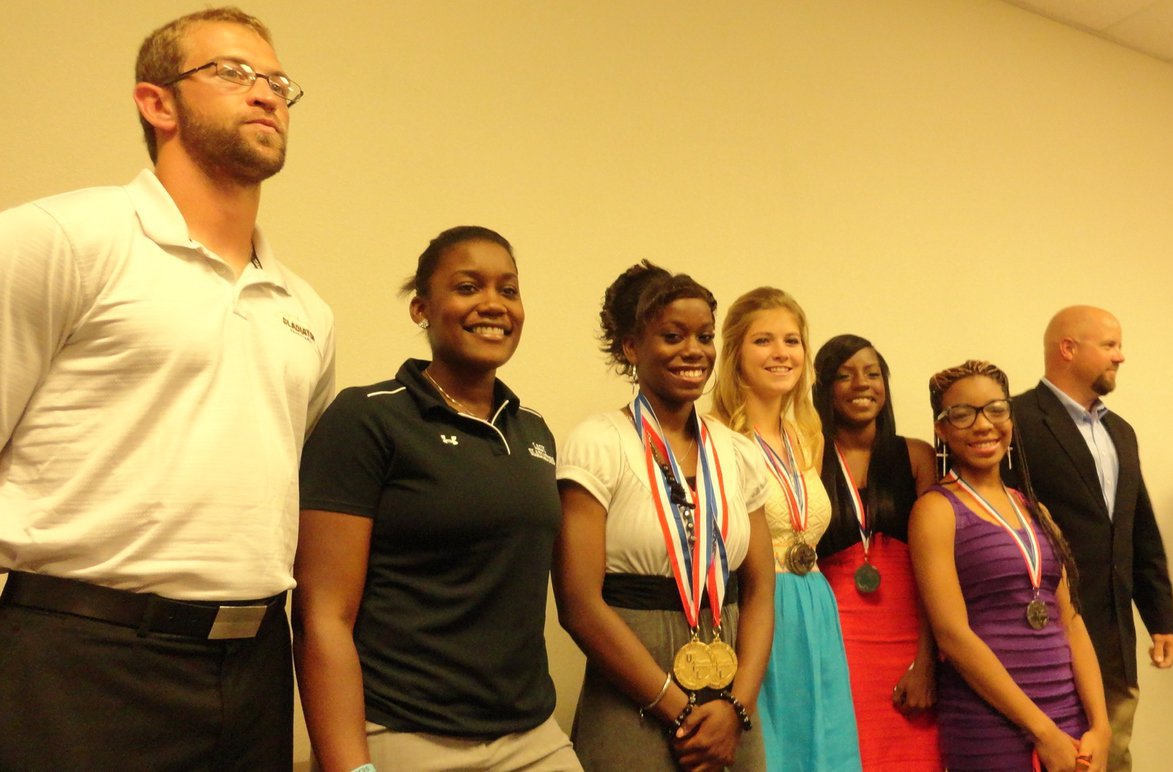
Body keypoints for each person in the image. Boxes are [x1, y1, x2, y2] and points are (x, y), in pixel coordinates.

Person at [0, 7, 333, 770]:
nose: (266, 93)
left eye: (277, 80)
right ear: (157, 103)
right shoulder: (61, 240)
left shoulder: (308, 311)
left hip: (254, 665)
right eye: (232, 72)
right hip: (77, 663)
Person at [293, 226, 579, 772]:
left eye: (508, 290)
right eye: (468, 287)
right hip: (404, 732)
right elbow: (321, 616)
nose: (493, 304)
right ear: (421, 309)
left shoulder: (534, 431)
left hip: (530, 735)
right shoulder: (368, 418)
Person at [553, 261, 775, 771]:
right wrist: (680, 711)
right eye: (673, 336)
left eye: (704, 336)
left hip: (729, 704)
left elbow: (761, 591)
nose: (693, 350)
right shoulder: (598, 444)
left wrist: (737, 708)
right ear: (632, 347)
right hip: (633, 695)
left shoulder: (739, 453)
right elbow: (578, 603)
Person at [911, 360, 1110, 771]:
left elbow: (1071, 622)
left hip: (1067, 718)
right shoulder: (935, 511)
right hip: (990, 726)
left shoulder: (1035, 509)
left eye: (996, 409)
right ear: (942, 429)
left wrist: (1101, 726)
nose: (984, 425)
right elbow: (952, 636)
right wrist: (1042, 731)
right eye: (963, 414)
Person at [1004, 306, 1173, 772]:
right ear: (1068, 348)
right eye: (1109, 345)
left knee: (1113, 756)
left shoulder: (1121, 432)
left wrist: (1160, 617)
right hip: (1043, 634)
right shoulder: (1014, 421)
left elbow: (1138, 529)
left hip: (1114, 638)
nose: (1121, 356)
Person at [710, 288, 860, 771]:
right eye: (763, 341)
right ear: (735, 353)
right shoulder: (714, 436)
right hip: (755, 609)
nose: (781, 353)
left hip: (813, 608)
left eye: (791, 341)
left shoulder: (805, 437)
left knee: (821, 747)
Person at [812, 335, 939, 770]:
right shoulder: (808, 458)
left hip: (910, 643)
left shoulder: (917, 456)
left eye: (872, 373)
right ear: (824, 389)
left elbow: (935, 573)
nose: (861, 384)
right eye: (844, 375)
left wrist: (927, 662)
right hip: (835, 645)